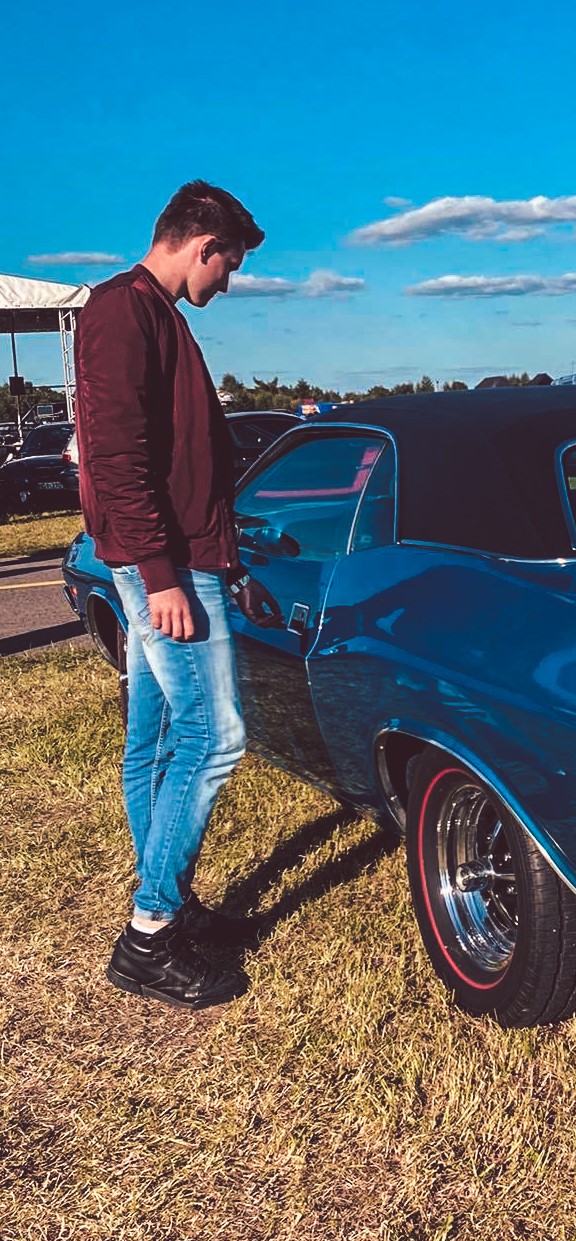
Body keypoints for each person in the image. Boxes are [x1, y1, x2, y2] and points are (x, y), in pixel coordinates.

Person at [75, 181, 283, 1010]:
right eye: (227, 267)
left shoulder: (150, 314)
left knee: (157, 738)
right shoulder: (124, 313)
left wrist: (222, 564)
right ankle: (149, 933)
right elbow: (116, 460)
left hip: (181, 559)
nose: (225, 284)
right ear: (204, 245)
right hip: (164, 567)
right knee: (215, 736)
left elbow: (178, 463)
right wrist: (162, 576)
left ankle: (169, 900)